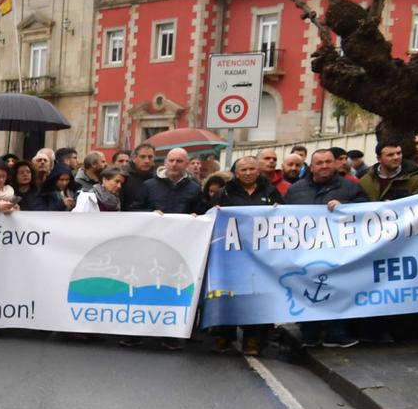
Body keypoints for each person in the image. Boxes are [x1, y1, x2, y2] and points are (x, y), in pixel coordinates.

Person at [284, 149, 368, 349]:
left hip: (339, 251)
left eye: (328, 162)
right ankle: (309, 332)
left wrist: (345, 206)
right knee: (307, 290)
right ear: (311, 166)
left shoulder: (351, 187)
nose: (324, 166)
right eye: (319, 163)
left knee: (338, 290)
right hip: (306, 252)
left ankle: (336, 332)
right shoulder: (295, 190)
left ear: (336, 164)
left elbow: (367, 210)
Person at [217, 156, 281, 355]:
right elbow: (207, 214)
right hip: (230, 253)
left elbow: (285, 217)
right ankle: (224, 335)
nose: (247, 173)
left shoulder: (270, 191)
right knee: (228, 294)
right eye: (243, 170)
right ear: (236, 173)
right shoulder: (224, 192)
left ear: (258, 171)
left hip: (261, 254)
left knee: (256, 295)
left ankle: (252, 339)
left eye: (251, 169)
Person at [140, 146, 204, 214]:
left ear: (186, 164)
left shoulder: (195, 188)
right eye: (171, 160)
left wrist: (196, 216)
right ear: (165, 162)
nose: (174, 164)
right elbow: (135, 210)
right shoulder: (148, 185)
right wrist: (151, 213)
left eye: (179, 161)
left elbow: (201, 213)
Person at [120, 142, 158, 211]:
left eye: (150, 157)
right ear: (134, 158)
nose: (147, 161)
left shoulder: (159, 179)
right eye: (142, 157)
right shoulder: (123, 177)